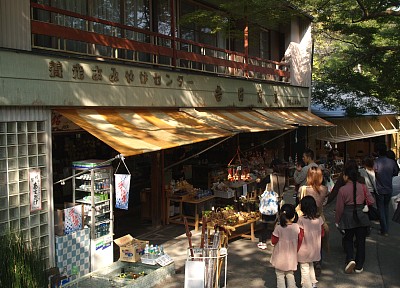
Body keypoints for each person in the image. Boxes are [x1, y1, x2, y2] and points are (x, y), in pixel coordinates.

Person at [335, 164, 375, 273]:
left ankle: (350, 259)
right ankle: (359, 265)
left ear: (346, 176)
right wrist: (365, 205)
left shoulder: (342, 190)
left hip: (348, 217)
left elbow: (339, 208)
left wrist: (337, 221)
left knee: (348, 239)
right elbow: (371, 201)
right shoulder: (363, 186)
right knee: (361, 241)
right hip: (361, 215)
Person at [270, 204, 304, 288]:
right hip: (291, 256)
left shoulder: (278, 228)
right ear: (293, 216)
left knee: (280, 276)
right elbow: (300, 239)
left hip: (279, 256)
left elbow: (273, 241)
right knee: (290, 274)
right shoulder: (297, 227)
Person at [297, 196, 325, 288]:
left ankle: (307, 285)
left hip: (304, 249)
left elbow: (300, 236)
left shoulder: (301, 220)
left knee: (304, 269)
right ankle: (313, 283)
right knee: (311, 265)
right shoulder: (319, 219)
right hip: (315, 249)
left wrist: (296, 248)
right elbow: (322, 233)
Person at [374, 143, 399, 236]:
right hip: (389, 188)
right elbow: (396, 172)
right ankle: (385, 228)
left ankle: (384, 229)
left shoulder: (376, 162)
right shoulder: (391, 162)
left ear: (378, 151)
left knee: (381, 209)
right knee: (386, 208)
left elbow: (373, 174)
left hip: (379, 188)